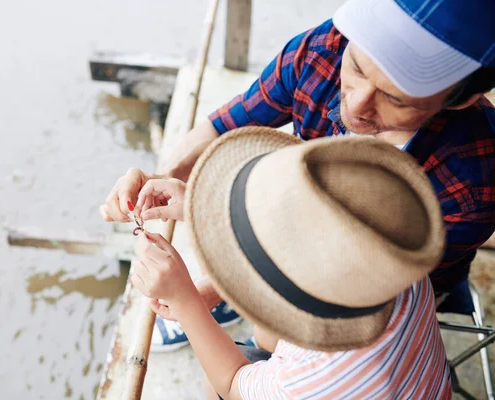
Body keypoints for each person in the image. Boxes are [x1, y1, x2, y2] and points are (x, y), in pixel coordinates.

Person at [101, 0, 495, 351]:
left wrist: (224, 285)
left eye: (397, 98)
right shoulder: (321, 51)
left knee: (267, 347)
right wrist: (162, 174)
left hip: (372, 279)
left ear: (462, 98)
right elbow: (224, 127)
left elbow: (366, 282)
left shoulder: (475, 181)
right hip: (293, 213)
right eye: (357, 66)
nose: (356, 105)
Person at [130, 127, 452, 399]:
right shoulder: (384, 255)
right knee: (264, 334)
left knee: (214, 382)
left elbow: (230, 384)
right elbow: (297, 239)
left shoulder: (312, 380)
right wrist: (205, 212)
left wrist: (186, 303)